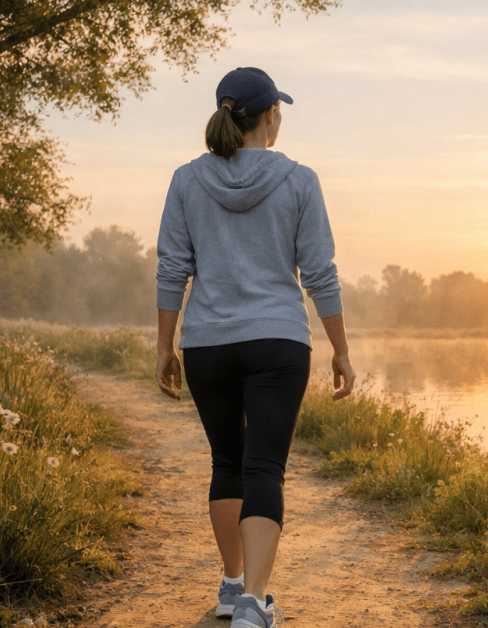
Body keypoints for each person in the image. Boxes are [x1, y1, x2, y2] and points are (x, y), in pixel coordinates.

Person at [155, 66, 355, 628]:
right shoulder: (298, 179)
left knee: (227, 462)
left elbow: (173, 269)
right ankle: (254, 604)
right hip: (278, 341)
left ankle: (231, 586)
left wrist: (165, 346)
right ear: (270, 115)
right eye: (279, 110)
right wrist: (340, 349)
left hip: (208, 344)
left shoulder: (186, 179)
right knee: (264, 468)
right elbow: (320, 274)